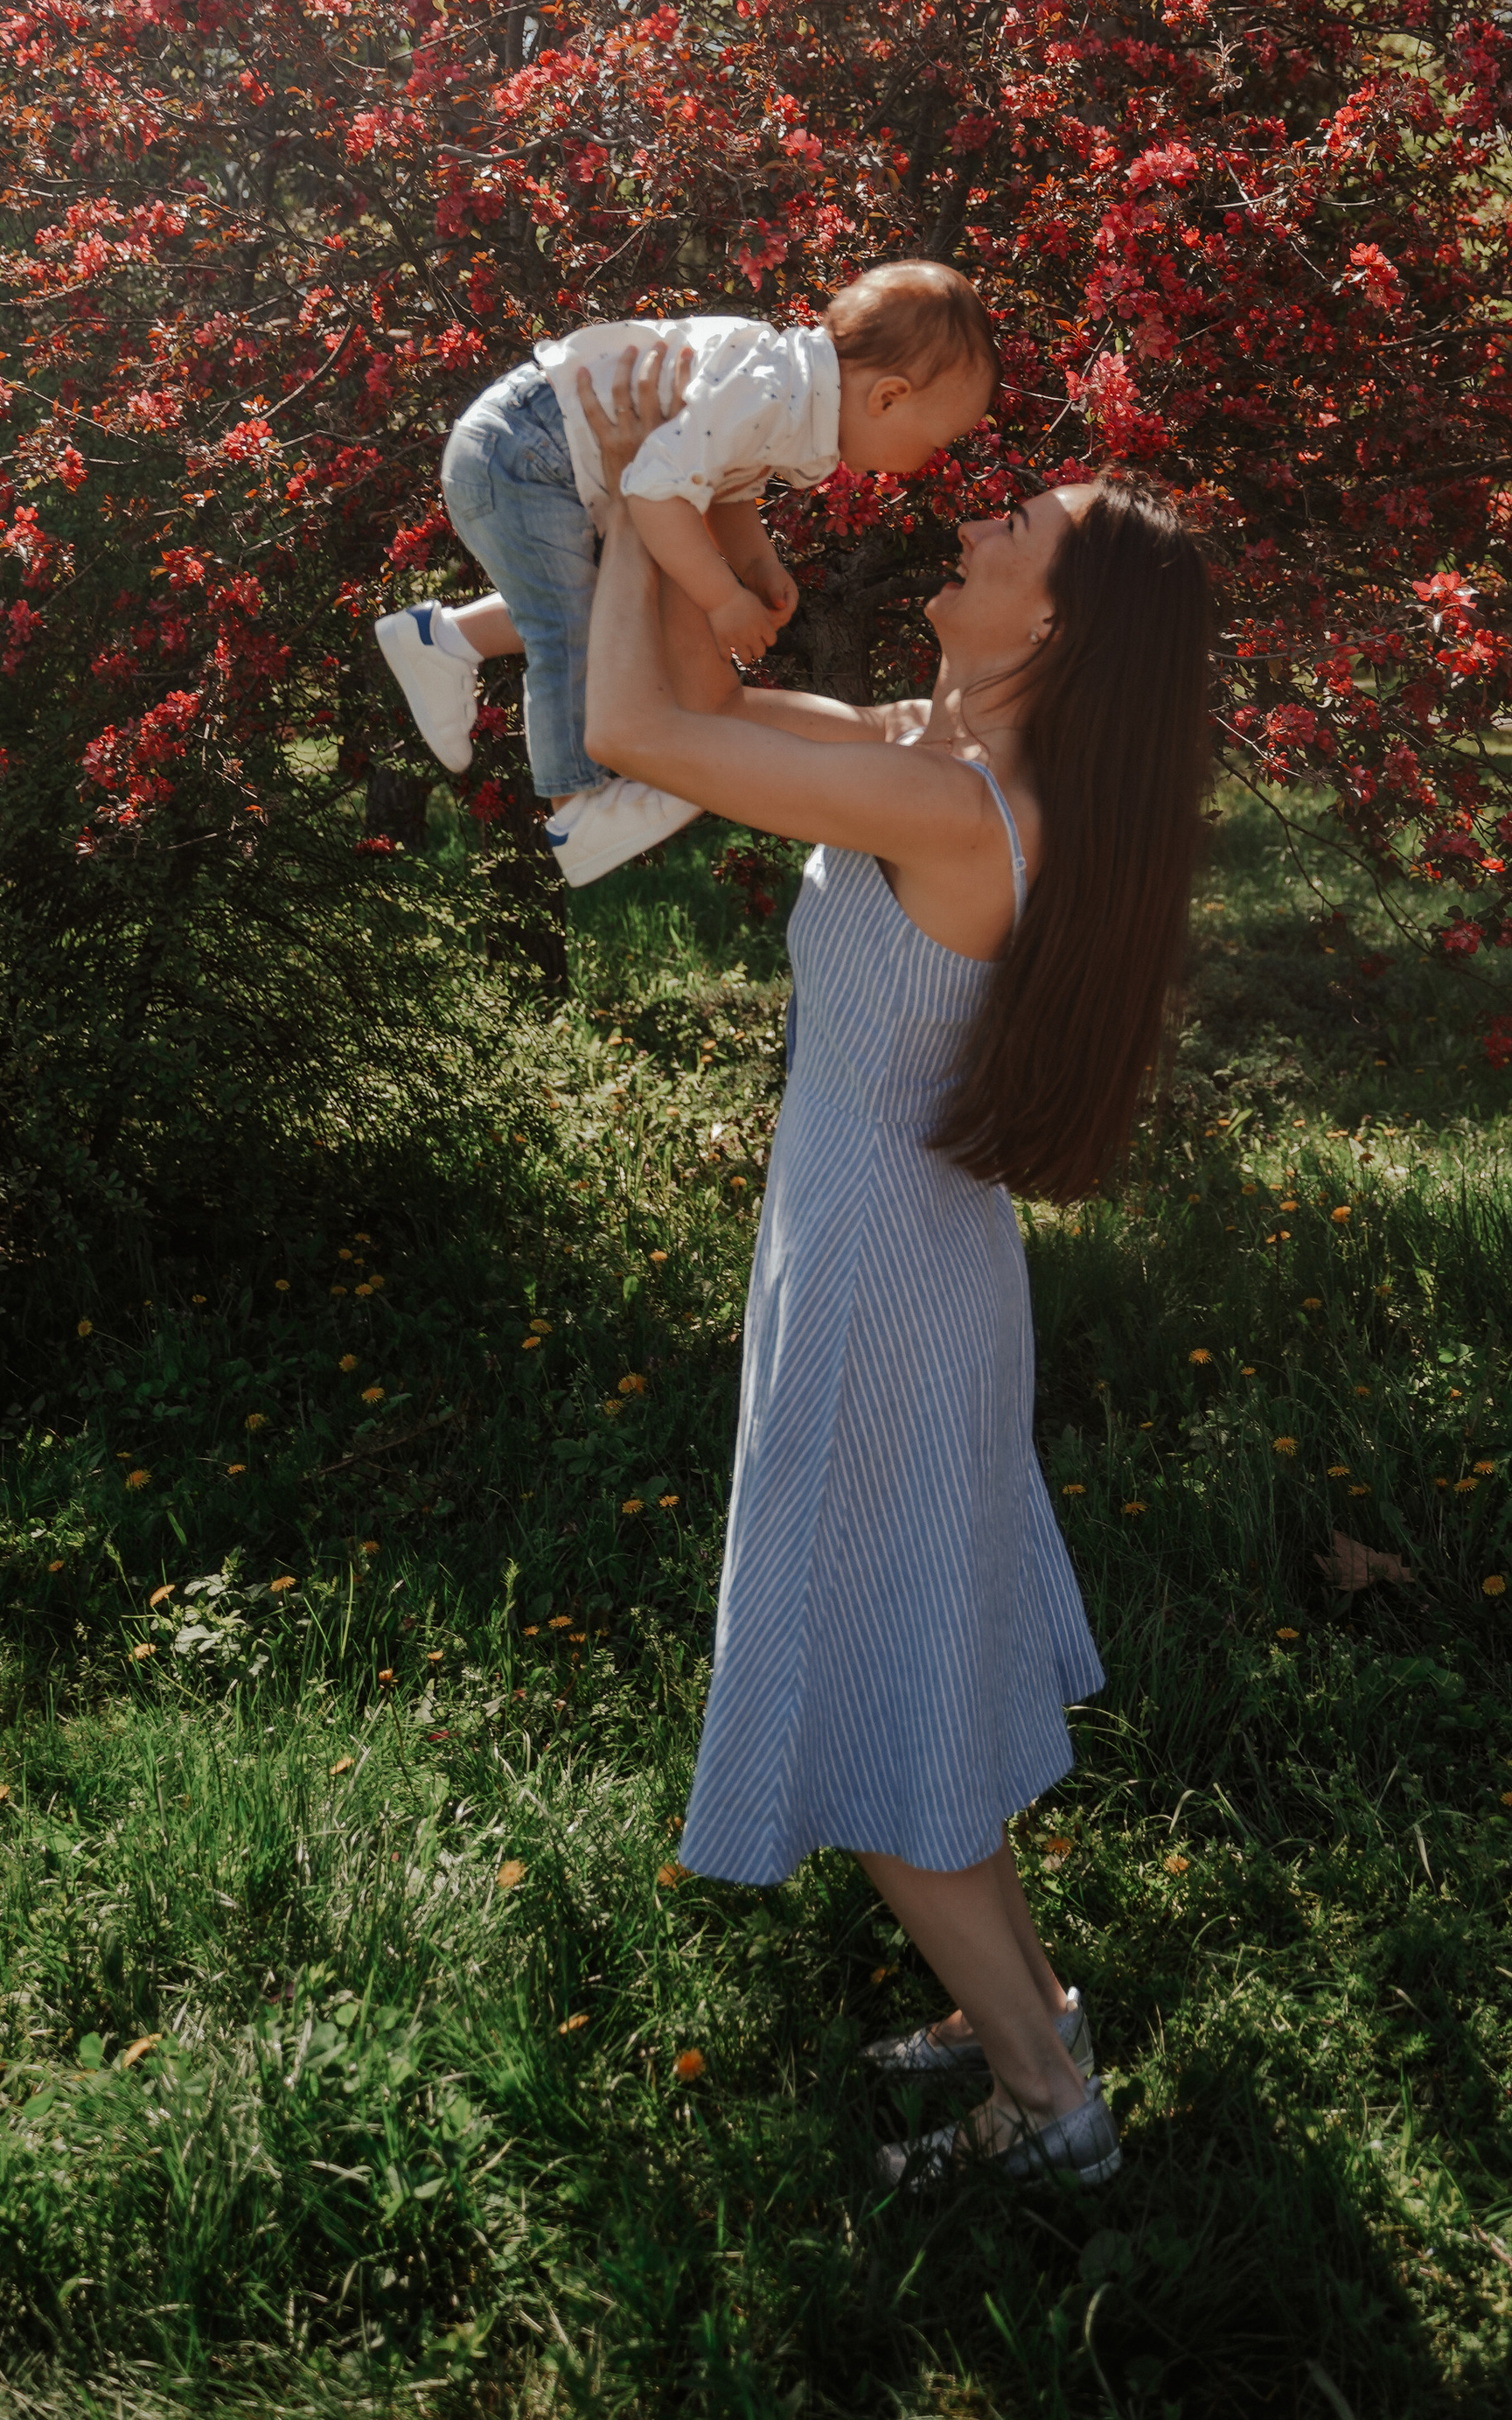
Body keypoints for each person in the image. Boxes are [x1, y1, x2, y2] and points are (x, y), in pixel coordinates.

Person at [577, 346, 1215, 2192]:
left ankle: (1045, 2106)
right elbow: (711, 684)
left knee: (862, 1691)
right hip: (907, 1263)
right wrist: (715, 521)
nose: (977, 513)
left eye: (1015, 527)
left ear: (1055, 632)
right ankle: (1025, 2007)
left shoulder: (956, 814)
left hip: (876, 1280)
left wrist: (641, 484)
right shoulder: (939, 761)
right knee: (922, 1657)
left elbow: (637, 732)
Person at [374, 261, 997, 887]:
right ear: (887, 397)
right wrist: (724, 599)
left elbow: (720, 485)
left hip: (535, 450)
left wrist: (757, 566)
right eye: (937, 442)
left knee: (595, 613)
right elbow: (654, 492)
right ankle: (575, 810)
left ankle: (444, 639)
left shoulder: (791, 393)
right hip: (524, 453)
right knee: (566, 631)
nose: (929, 460)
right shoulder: (774, 393)